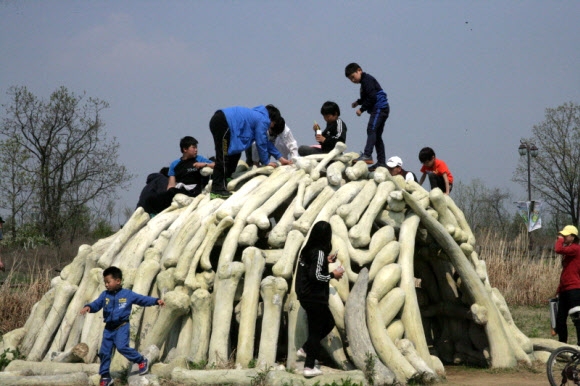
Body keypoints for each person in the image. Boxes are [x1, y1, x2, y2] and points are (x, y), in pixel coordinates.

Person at [80, 266, 165, 386]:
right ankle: (105, 377)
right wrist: (89, 307)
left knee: (121, 347)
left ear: (118, 281)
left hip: (122, 326)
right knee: (104, 352)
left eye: (108, 282)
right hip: (109, 328)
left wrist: (156, 301)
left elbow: (142, 299)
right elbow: (97, 304)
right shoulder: (105, 295)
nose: (106, 285)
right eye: (105, 282)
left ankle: (141, 360)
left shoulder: (127, 294)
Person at [209, 104, 292, 199]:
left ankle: (227, 178)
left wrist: (280, 158)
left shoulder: (258, 116)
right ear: (273, 120)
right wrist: (266, 163)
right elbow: (261, 143)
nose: (272, 126)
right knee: (223, 156)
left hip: (223, 122)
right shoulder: (263, 120)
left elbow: (265, 141)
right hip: (223, 122)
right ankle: (216, 190)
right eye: (274, 123)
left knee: (235, 153)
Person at [295, 221, 344, 378]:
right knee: (316, 331)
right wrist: (333, 275)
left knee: (327, 323)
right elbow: (315, 276)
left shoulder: (308, 250)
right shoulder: (319, 252)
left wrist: (325, 262)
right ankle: (309, 367)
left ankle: (305, 349)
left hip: (306, 296)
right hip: (314, 297)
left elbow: (312, 268)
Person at [146, 136, 214, 214]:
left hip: (194, 191)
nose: (196, 150)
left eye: (196, 147)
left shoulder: (200, 159)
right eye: (193, 147)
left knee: (172, 192)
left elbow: (216, 165)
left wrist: (204, 164)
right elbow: (171, 185)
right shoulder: (174, 164)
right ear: (185, 149)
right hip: (179, 190)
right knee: (151, 199)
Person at [345, 63, 389, 170]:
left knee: (371, 129)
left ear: (359, 70)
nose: (353, 80)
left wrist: (361, 109)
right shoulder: (364, 83)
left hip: (380, 108)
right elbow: (367, 97)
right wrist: (358, 102)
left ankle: (367, 154)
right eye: (350, 79)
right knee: (377, 136)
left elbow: (372, 97)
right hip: (380, 109)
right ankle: (381, 162)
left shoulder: (367, 80)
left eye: (353, 77)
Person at [554, 225, 580, 345]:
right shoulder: (569, 251)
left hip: (574, 289)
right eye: (562, 235)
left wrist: (559, 240)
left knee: (577, 319)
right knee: (560, 320)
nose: (563, 237)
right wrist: (559, 289)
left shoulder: (576, 249)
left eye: (566, 235)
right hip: (565, 289)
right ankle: (562, 345)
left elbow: (558, 249)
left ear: (573, 237)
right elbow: (566, 272)